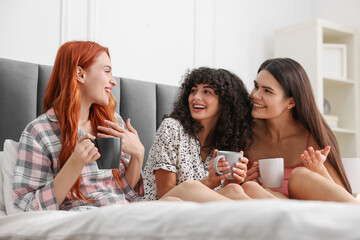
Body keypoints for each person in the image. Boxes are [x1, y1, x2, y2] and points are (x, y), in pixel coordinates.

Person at [12, 41, 255, 211]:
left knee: (227, 194)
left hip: (127, 210)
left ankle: (271, 225)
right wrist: (74, 163)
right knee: (184, 196)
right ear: (80, 74)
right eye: (106, 71)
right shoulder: (40, 132)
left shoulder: (112, 124)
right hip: (91, 214)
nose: (113, 81)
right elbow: (26, 207)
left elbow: (129, 194)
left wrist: (138, 155)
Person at [143, 67, 275, 201]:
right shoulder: (172, 127)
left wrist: (233, 181)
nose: (196, 97)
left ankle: (283, 215)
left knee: (240, 188)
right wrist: (210, 182)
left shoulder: (228, 141)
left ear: (226, 101)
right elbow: (165, 193)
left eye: (207, 91)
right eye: (193, 91)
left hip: (206, 213)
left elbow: (222, 193)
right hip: (165, 208)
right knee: (190, 186)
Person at [245, 57, 358, 203]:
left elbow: (341, 194)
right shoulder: (245, 133)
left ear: (291, 101)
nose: (255, 95)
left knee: (299, 176)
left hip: (313, 211)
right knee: (250, 188)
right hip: (274, 211)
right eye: (256, 86)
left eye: (267, 91)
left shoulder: (313, 137)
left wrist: (319, 170)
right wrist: (243, 179)